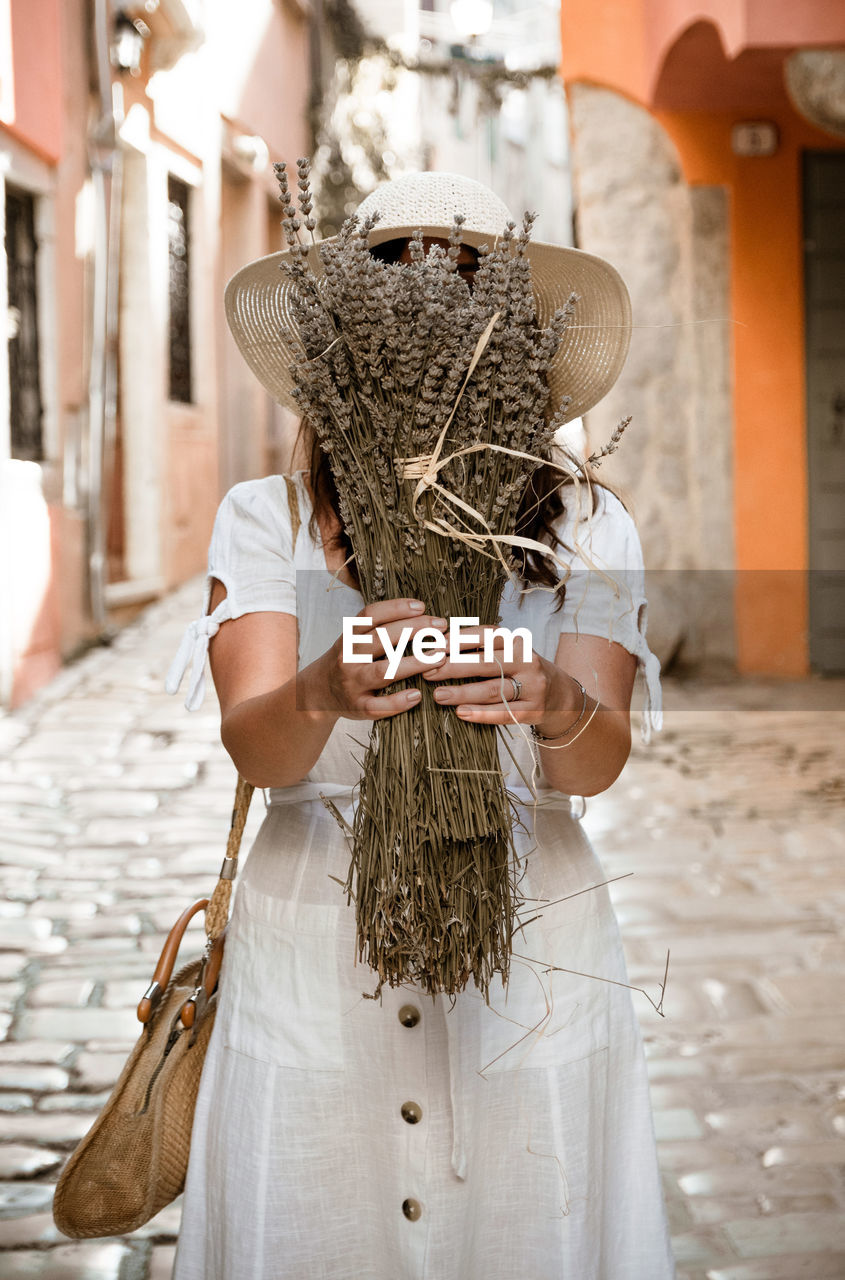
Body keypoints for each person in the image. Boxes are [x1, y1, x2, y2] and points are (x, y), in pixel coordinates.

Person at [166, 172, 675, 1280]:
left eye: (465, 312)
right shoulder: (269, 520)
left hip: (529, 958)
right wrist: (321, 690)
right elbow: (253, 745)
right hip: (313, 953)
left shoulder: (590, 522)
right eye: (398, 302)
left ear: (511, 346)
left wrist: (553, 700)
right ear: (353, 338)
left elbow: (593, 767)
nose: (435, 339)